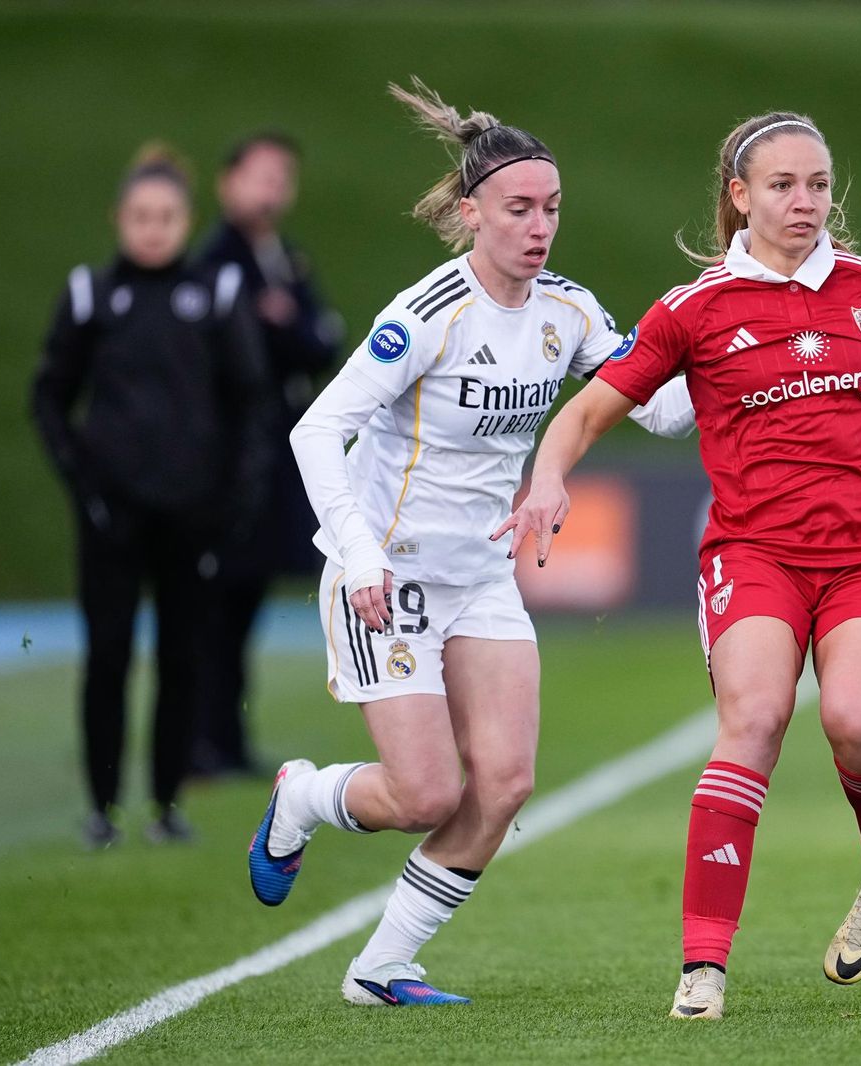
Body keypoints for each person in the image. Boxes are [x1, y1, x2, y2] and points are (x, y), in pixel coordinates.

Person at [495, 111, 861, 1020]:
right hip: (757, 550)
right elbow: (587, 413)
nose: (804, 202)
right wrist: (548, 480)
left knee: (857, 719)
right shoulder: (693, 310)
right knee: (754, 717)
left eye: (817, 185)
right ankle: (703, 970)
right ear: (740, 197)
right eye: (782, 186)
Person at [247, 78, 695, 1007]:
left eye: (553, 209)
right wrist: (359, 555)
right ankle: (303, 796)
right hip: (388, 575)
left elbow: (659, 413)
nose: (540, 228)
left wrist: (717, 331)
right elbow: (313, 432)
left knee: (504, 782)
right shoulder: (426, 315)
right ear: (471, 212)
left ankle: (381, 968)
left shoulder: (567, 312)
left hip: (480, 576)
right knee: (423, 795)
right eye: (520, 209)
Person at [31, 145, 272, 848]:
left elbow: (253, 404)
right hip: (112, 517)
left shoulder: (217, 296)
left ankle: (168, 804)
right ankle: (101, 807)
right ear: (119, 219)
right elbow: (49, 396)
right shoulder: (91, 295)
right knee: (107, 655)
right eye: (140, 216)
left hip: (192, 515)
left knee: (182, 657)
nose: (153, 229)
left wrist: (234, 499)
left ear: (185, 219)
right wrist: (84, 484)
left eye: (166, 216)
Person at [195, 131, 343, 777]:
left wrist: (292, 326)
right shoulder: (219, 262)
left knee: (244, 598)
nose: (272, 190)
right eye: (260, 176)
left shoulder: (283, 258)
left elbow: (319, 339)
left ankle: (226, 740)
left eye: (282, 177)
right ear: (227, 182)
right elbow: (245, 351)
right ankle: (201, 742)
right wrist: (290, 328)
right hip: (229, 458)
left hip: (269, 452)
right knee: (215, 602)